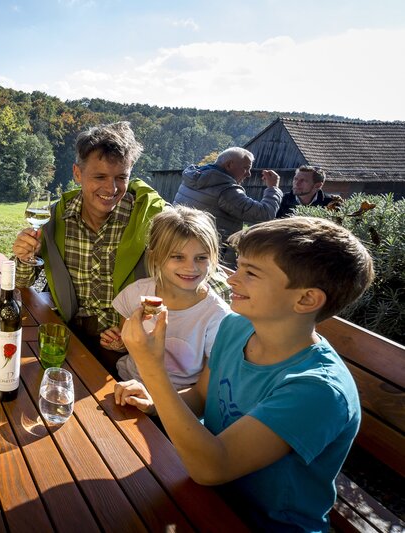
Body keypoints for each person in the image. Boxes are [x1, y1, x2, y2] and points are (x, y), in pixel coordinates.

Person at [115, 217, 373, 531]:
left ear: (306, 299)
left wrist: (152, 369)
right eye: (238, 266)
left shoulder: (318, 389)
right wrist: (153, 399)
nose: (232, 279)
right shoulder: (236, 328)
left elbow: (213, 466)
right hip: (204, 495)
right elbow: (200, 395)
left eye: (250, 273)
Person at [12, 121, 227, 371]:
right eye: (100, 176)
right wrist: (25, 257)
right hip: (68, 333)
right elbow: (23, 285)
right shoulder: (53, 218)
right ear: (77, 173)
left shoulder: (152, 219)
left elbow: (208, 272)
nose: (111, 189)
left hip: (130, 347)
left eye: (121, 177)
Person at [99, 206, 230, 390]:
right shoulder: (136, 293)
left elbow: (204, 391)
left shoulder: (217, 316)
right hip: (125, 382)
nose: (191, 267)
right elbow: (128, 346)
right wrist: (118, 343)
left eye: (201, 258)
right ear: (156, 257)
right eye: (177, 257)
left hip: (177, 403)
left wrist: (154, 404)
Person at [173, 147, 282, 265]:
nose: (249, 174)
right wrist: (273, 188)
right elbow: (264, 214)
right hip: (210, 255)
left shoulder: (192, 178)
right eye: (246, 168)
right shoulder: (227, 190)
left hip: (179, 244)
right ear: (229, 165)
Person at [276, 165, 343, 218]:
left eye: (303, 181)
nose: (296, 184)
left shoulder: (331, 204)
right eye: (295, 179)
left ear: (317, 185)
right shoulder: (281, 200)